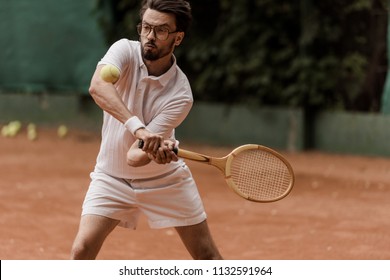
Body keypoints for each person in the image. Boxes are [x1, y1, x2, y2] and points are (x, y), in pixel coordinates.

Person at [70, 0, 223, 260]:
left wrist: (154, 153)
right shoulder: (124, 51)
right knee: (81, 251)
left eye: (161, 30)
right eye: (146, 27)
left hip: (165, 181)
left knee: (206, 255)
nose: (150, 37)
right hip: (111, 177)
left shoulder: (181, 94)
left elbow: (135, 156)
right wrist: (140, 130)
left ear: (178, 38)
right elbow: (98, 87)